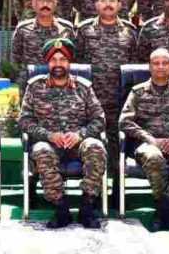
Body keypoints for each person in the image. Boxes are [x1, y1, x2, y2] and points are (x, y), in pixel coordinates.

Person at [19, 38, 107, 229]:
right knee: (42, 149)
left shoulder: (83, 87)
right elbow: (24, 121)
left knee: (96, 146)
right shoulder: (35, 87)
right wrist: (48, 135)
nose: (58, 64)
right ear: (47, 63)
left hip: (77, 143)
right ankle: (61, 208)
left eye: (63, 60)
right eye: (54, 60)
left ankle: (87, 206)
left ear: (69, 63)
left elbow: (99, 119)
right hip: (49, 142)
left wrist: (80, 134)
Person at [119, 48, 169, 231]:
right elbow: (124, 122)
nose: (160, 67)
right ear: (149, 66)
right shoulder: (138, 92)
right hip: (148, 144)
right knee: (153, 157)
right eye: (156, 63)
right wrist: (149, 139)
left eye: (165, 63)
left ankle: (164, 209)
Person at [75, 0, 137, 202]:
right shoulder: (83, 31)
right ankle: (94, 192)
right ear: (96, 5)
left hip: (120, 99)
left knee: (117, 143)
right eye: (104, 1)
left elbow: (134, 66)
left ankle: (117, 190)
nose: (108, 5)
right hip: (91, 100)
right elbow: (77, 64)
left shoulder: (130, 31)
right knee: (94, 143)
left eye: (113, 1)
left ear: (120, 5)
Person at [10, 0, 75, 90]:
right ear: (34, 4)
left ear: (55, 4)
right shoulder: (22, 29)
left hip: (61, 86)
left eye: (50, 0)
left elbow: (74, 59)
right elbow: (15, 62)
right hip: (30, 86)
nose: (45, 4)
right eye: (41, 0)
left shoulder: (67, 29)